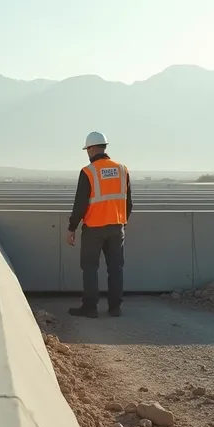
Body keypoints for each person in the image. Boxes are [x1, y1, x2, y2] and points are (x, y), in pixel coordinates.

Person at [66, 131, 132, 318]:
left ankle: (90, 307)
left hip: (93, 229)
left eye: (87, 149)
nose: (87, 153)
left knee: (89, 268)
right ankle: (115, 307)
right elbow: (129, 202)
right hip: (116, 227)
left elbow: (80, 204)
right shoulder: (122, 170)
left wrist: (72, 227)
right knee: (116, 268)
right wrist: (122, 222)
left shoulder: (88, 172)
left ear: (93, 148)